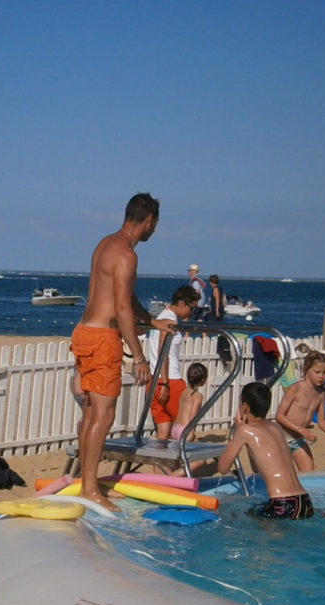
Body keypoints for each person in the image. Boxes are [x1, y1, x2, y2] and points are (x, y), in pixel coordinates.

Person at [72, 192, 172, 512]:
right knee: (104, 415)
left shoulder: (106, 243)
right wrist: (140, 356)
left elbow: (126, 298)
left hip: (84, 332)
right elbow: (120, 308)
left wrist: (151, 321)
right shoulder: (127, 255)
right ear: (149, 221)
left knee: (91, 413)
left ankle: (88, 483)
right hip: (102, 338)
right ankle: (89, 488)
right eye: (155, 224)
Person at [217, 382, 313, 520]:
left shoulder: (244, 431)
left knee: (238, 517)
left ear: (245, 407)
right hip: (304, 501)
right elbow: (257, 468)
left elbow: (222, 467)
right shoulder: (276, 428)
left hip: (282, 503)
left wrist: (237, 431)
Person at [275, 350, 325, 471]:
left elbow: (322, 422)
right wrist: (301, 429)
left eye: (324, 372)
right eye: (317, 372)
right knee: (285, 476)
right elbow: (279, 416)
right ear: (306, 370)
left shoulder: (320, 394)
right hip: (281, 439)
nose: (321, 376)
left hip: (298, 439)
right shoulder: (295, 389)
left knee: (309, 474)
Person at [146, 285, 201, 439]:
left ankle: (159, 463)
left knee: (163, 434)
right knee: (186, 432)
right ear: (182, 304)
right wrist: (165, 382)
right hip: (169, 379)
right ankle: (185, 463)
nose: (192, 312)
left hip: (154, 380)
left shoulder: (161, 317)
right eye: (192, 308)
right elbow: (162, 352)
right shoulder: (169, 320)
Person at [171, 362, 208, 441]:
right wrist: (191, 435)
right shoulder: (197, 396)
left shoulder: (184, 391)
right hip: (185, 430)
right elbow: (192, 417)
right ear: (203, 380)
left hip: (175, 427)